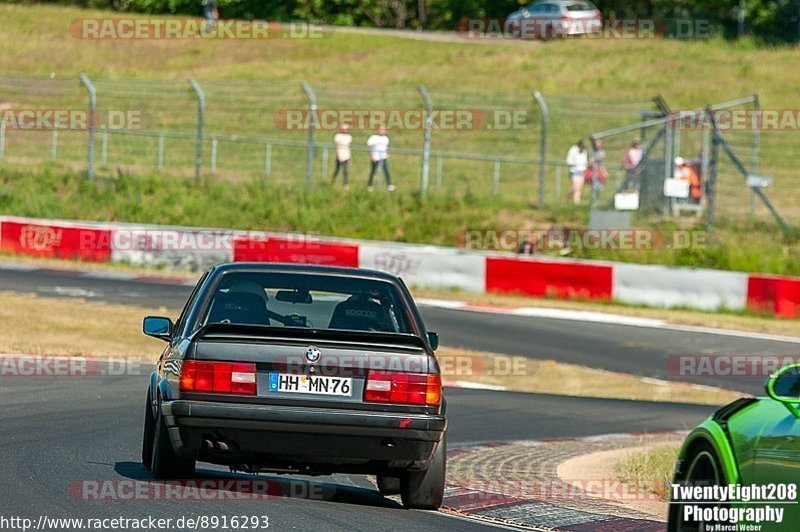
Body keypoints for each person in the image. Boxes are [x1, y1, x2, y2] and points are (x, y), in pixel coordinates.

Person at [366, 126, 395, 192]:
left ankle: (389, 185)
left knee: (386, 171)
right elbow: (368, 146)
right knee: (373, 172)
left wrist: (387, 153)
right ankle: (370, 185)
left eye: (383, 130)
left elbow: (386, 147)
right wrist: (371, 155)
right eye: (381, 129)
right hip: (375, 157)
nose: (382, 131)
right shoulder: (373, 137)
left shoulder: (386, 138)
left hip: (383, 157)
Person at [565, 140, 588, 205]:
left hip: (581, 172)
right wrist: (575, 165)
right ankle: (577, 204)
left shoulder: (584, 152)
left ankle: (568, 199)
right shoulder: (573, 150)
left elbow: (585, 162)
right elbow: (569, 161)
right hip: (575, 172)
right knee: (576, 189)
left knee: (578, 188)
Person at [332, 123, 352, 188]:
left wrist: (350, 156)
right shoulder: (337, 136)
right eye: (343, 129)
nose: (344, 130)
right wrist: (337, 155)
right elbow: (337, 147)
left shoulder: (349, 137)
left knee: (345, 170)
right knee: (337, 169)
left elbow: (349, 147)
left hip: (346, 155)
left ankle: (346, 184)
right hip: (340, 155)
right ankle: (333, 180)